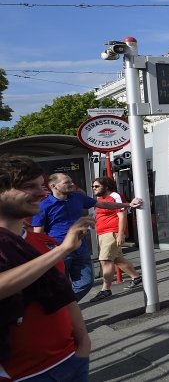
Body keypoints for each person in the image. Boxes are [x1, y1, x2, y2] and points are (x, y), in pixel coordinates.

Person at [0, 155, 92, 381]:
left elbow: (64, 294)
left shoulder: (43, 241)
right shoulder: (53, 247)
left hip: (71, 359)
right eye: (29, 187)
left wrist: (83, 344)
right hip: (22, 374)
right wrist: (63, 250)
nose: (42, 194)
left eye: (41, 186)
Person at [32, 173, 142, 302]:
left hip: (80, 249)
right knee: (60, 285)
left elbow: (104, 205)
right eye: (67, 182)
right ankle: (63, 309)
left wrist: (129, 204)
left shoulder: (78, 197)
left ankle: (63, 305)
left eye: (71, 181)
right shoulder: (43, 206)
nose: (72, 184)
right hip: (59, 251)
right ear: (54, 186)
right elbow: (38, 234)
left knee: (86, 282)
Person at [88, 176, 142, 302]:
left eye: (96, 186)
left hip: (111, 232)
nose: (94, 188)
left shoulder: (115, 196)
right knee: (117, 259)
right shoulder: (99, 199)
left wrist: (121, 234)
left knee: (105, 259)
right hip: (102, 233)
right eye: (93, 186)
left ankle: (105, 289)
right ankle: (136, 277)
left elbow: (122, 216)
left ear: (106, 186)